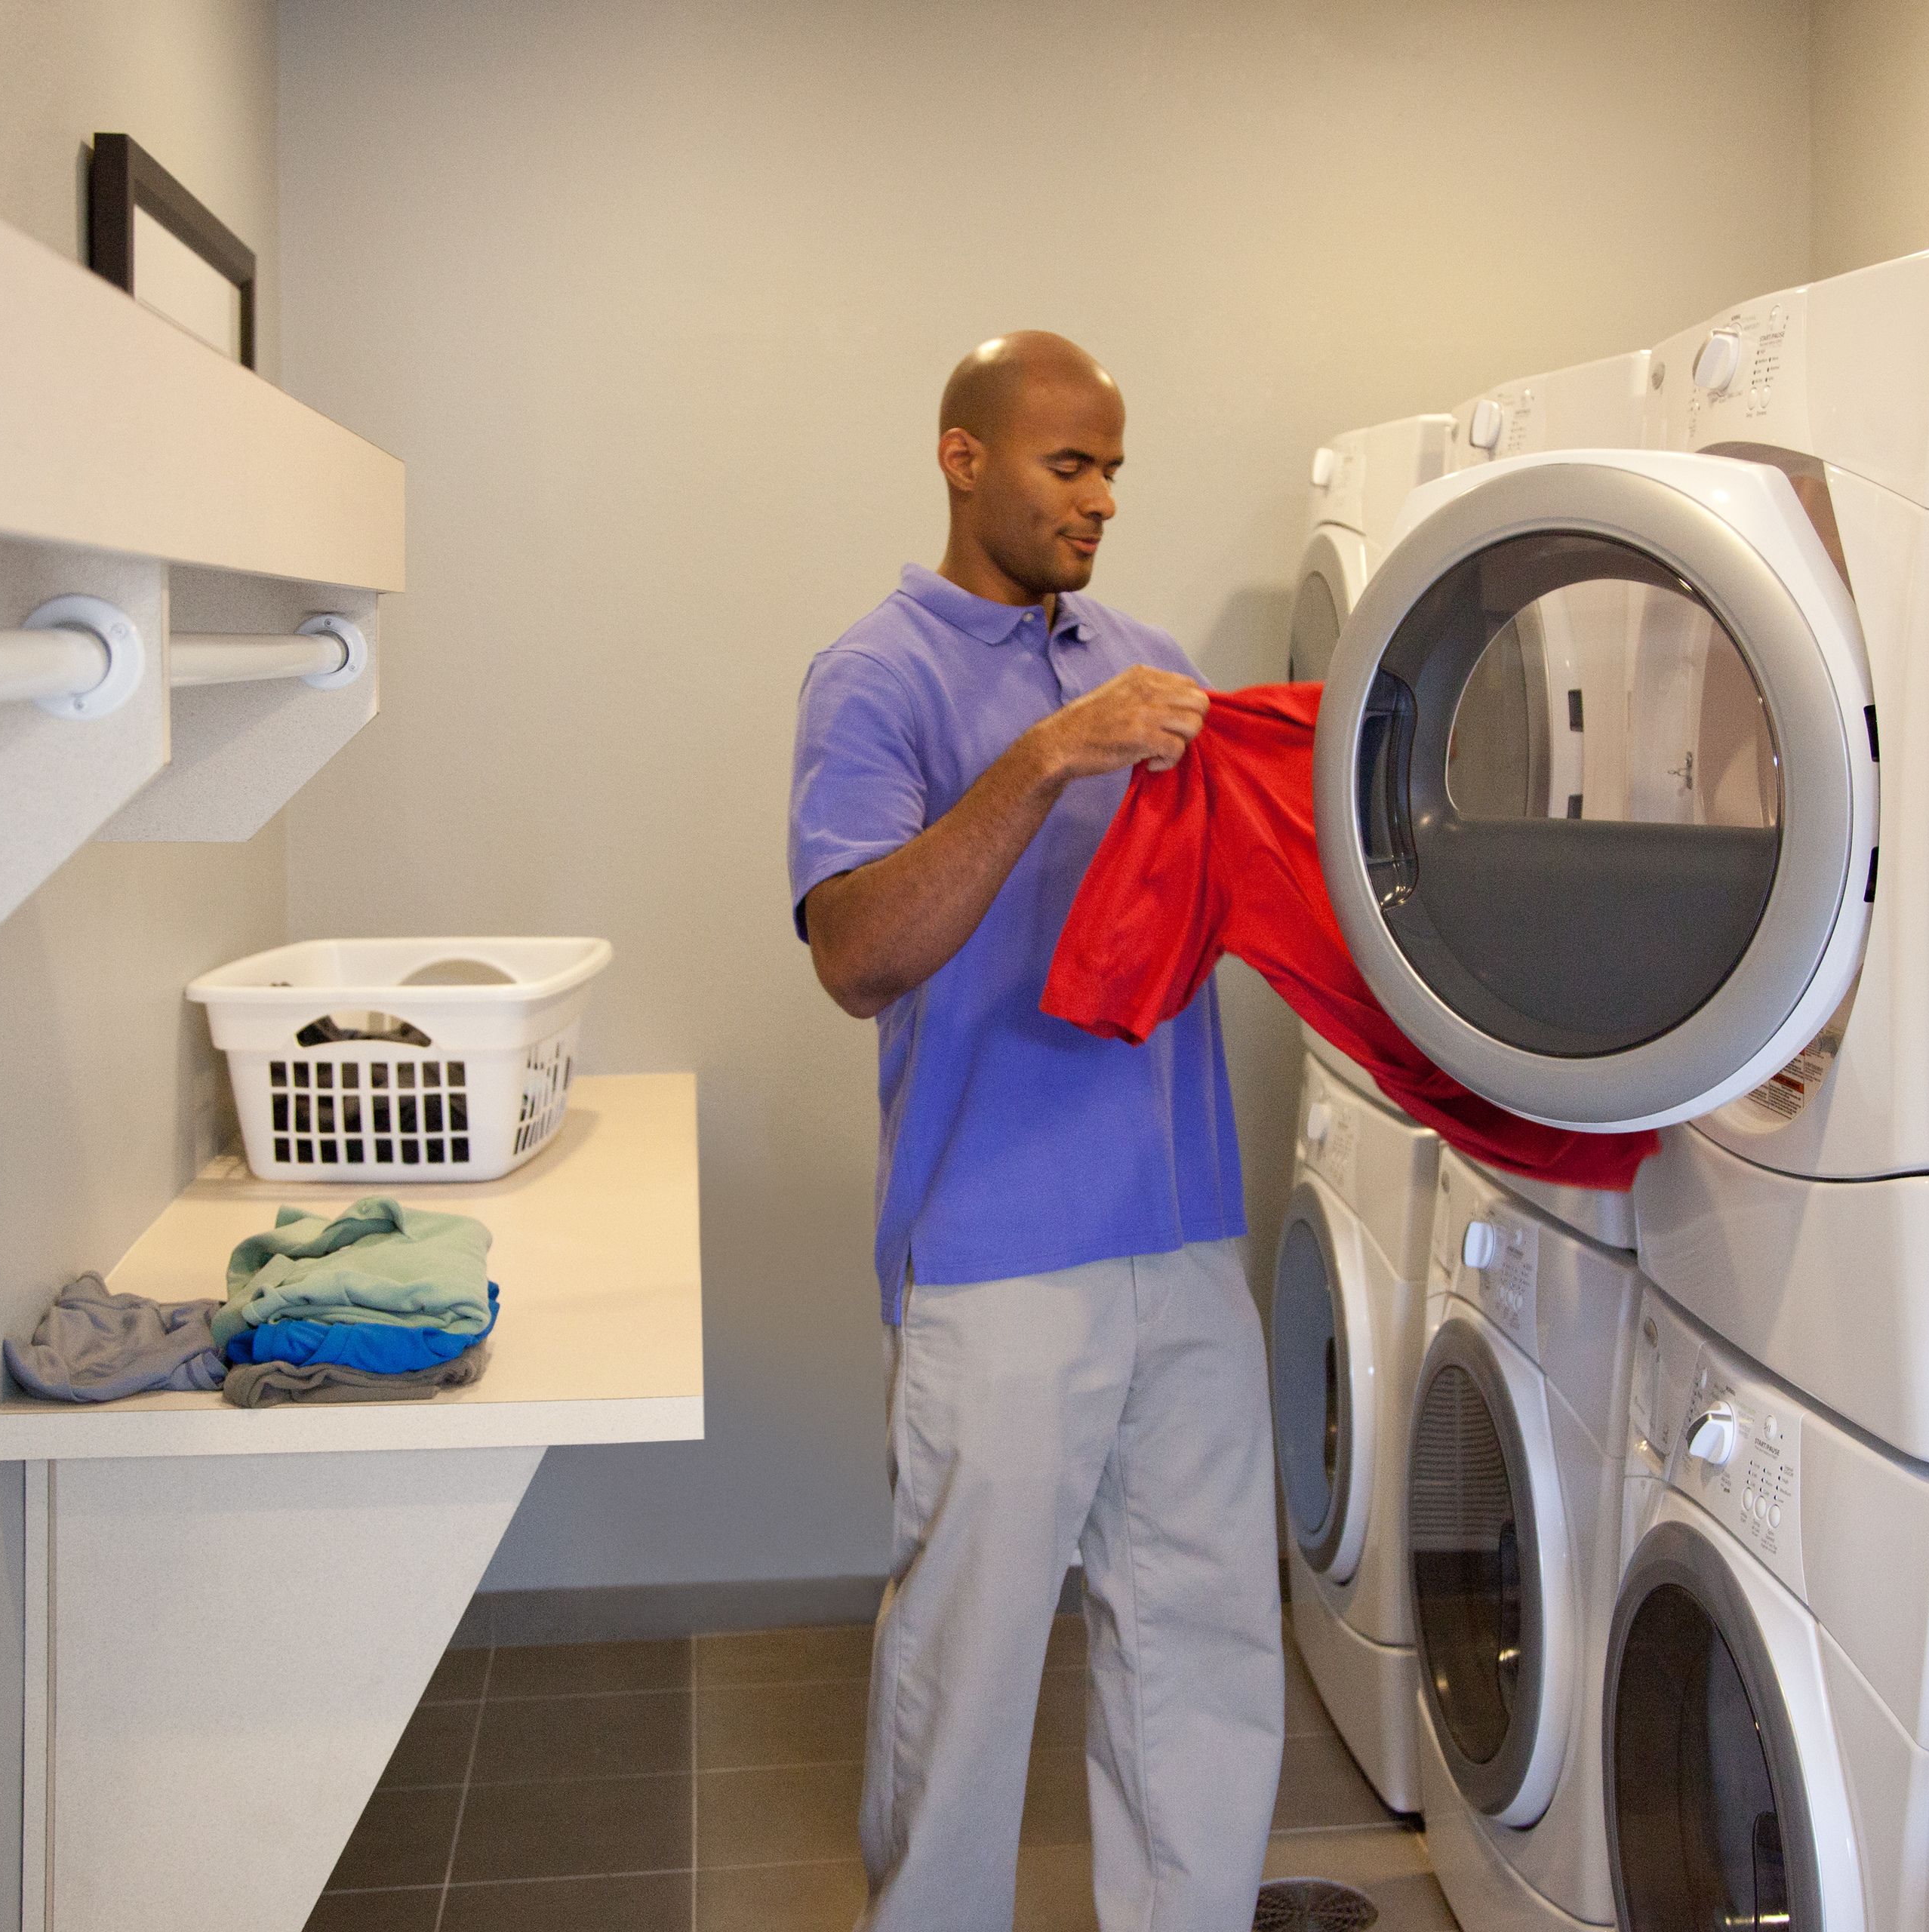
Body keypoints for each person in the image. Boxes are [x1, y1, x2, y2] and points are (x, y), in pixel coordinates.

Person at [786, 332, 1282, 1931]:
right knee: (970, 1667)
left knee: (1204, 1638)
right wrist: (1050, 753)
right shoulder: (879, 675)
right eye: (1072, 465)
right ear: (963, 457)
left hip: (1189, 1234)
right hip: (999, 1254)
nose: (1103, 499)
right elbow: (858, 953)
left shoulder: (1143, 657)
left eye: (1116, 468)